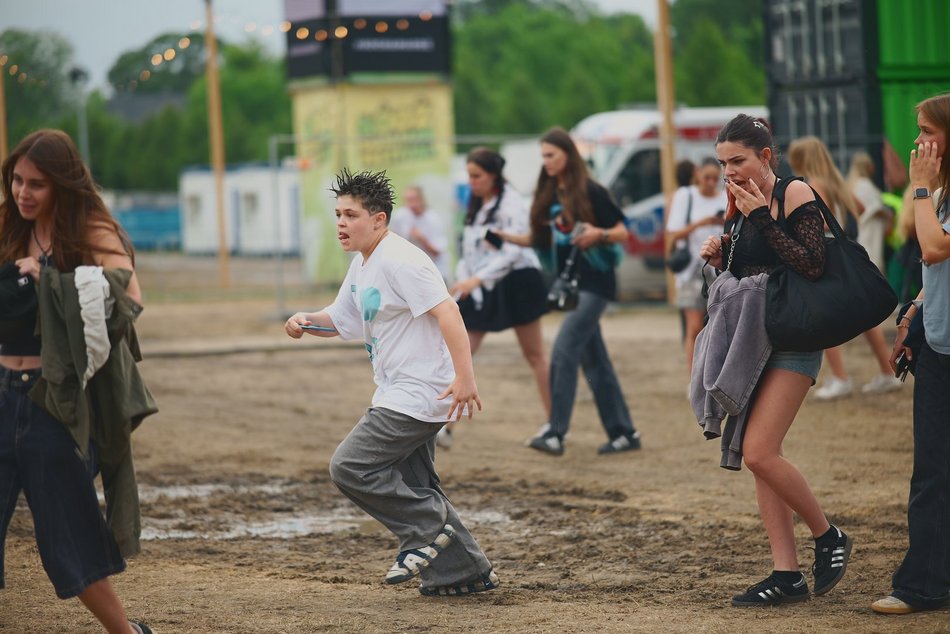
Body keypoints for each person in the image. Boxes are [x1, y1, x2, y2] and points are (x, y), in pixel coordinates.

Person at [284, 168, 498, 597]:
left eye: (351, 215)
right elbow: (342, 320)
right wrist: (308, 321)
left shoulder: (403, 259)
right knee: (418, 487)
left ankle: (424, 532)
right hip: (399, 390)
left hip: (419, 393)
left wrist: (465, 378)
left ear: (379, 219)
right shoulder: (364, 263)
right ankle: (464, 571)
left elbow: (448, 313)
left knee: (350, 466)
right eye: (338, 214)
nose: (341, 223)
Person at [0, 130, 154, 633]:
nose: (23, 193)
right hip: (1, 392)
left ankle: (127, 633)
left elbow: (129, 295)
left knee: (69, 540)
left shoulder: (88, 228)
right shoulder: (7, 225)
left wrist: (51, 278)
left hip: (52, 402)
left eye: (36, 184)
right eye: (17, 181)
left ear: (62, 185)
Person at [699, 115, 852, 606]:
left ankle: (828, 535)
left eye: (738, 161)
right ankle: (785, 573)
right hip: (753, 336)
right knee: (760, 455)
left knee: (760, 451)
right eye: (723, 163)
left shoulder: (795, 194)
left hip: (792, 336)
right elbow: (750, 268)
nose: (730, 171)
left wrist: (760, 214)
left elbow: (810, 263)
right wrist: (721, 253)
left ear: (766, 156)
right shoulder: (737, 199)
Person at [501, 127, 640, 457]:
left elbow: (621, 231)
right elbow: (540, 239)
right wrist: (501, 237)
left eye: (552, 155)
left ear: (568, 156)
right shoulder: (549, 193)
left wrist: (598, 233)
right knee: (595, 362)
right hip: (571, 286)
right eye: (543, 156)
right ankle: (624, 432)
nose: (546, 162)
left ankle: (555, 432)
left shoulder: (591, 191)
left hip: (596, 283)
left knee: (564, 348)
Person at [873, 92, 950, 616]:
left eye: (928, 130)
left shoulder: (929, 191)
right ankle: (923, 583)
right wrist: (914, 314)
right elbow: (933, 269)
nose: (919, 140)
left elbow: (934, 247)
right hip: (941, 348)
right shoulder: (939, 193)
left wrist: (919, 185)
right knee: (932, 470)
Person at [445, 148, 550, 449]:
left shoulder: (512, 203)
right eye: (469, 176)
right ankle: (444, 428)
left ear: (493, 175)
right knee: (462, 351)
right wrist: (464, 279)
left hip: (517, 280)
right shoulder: (477, 204)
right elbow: (469, 249)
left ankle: (555, 425)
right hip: (484, 284)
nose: (472, 182)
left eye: (477, 176)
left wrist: (477, 278)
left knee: (535, 354)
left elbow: (515, 249)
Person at [787, 137, 902, 400]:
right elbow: (860, 210)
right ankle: (887, 371)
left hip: (823, 256)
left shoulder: (811, 185)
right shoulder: (836, 181)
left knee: (823, 316)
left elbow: (819, 224)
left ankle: (840, 377)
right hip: (843, 252)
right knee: (862, 316)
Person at [665, 157, 727, 375]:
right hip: (692, 269)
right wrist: (702, 223)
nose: (710, 182)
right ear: (697, 174)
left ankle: (711, 373)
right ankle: (694, 378)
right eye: (706, 177)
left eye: (715, 179)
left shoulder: (725, 197)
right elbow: (673, 234)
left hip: (719, 270)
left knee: (718, 327)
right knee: (694, 327)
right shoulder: (685, 196)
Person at [389, 185, 450, 280]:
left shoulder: (432, 219)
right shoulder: (400, 216)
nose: (411, 204)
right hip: (412, 271)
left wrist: (422, 239)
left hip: (434, 270)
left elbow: (437, 251)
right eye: (408, 200)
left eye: (413, 199)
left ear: (421, 199)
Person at [848, 151, 894, 272]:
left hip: (863, 231)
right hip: (871, 232)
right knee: (873, 264)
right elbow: (875, 209)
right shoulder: (865, 185)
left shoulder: (855, 185)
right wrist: (888, 215)